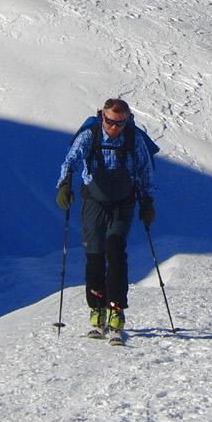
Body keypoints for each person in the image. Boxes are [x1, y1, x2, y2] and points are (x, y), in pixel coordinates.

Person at [55, 97, 156, 335]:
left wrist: (148, 201)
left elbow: (145, 170)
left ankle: (116, 309)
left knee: (115, 252)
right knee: (95, 255)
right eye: (111, 122)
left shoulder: (133, 138)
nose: (114, 128)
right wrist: (65, 184)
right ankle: (97, 308)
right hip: (94, 202)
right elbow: (71, 159)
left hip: (123, 203)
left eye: (120, 123)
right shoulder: (90, 135)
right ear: (103, 116)